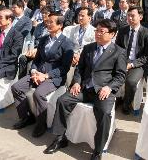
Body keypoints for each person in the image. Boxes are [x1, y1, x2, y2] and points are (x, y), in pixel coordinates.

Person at [44, 19, 126, 160]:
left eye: (102, 31)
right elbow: (79, 69)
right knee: (62, 100)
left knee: (105, 113)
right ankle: (60, 138)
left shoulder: (119, 52)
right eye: (96, 30)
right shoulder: (89, 48)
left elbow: (120, 76)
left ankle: (98, 150)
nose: (98, 34)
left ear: (112, 34)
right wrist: (76, 82)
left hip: (103, 91)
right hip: (84, 88)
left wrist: (109, 87)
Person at [11, 12, 74, 138]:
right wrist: (34, 71)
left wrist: (46, 76)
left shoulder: (67, 43)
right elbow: (37, 59)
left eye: (51, 22)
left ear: (60, 25)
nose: (48, 24)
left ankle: (41, 123)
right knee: (16, 87)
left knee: (38, 94)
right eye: (47, 21)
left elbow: (64, 68)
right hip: (38, 73)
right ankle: (26, 117)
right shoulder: (44, 39)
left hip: (54, 77)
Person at [115, 6, 148, 114]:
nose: (130, 18)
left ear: (140, 17)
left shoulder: (147, 33)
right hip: (122, 61)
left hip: (138, 64)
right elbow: (117, 48)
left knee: (131, 82)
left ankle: (126, 104)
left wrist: (131, 64)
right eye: (128, 16)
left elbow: (147, 56)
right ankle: (114, 99)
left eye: (133, 16)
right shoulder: (123, 31)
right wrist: (120, 62)